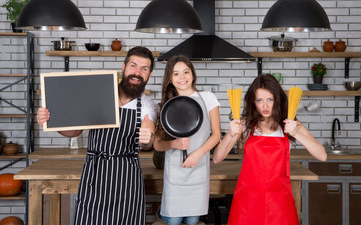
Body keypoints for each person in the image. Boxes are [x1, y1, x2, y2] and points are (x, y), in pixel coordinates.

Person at [37, 46, 158, 225]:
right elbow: (74, 131)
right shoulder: (98, 94)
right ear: (123, 67)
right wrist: (51, 121)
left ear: (149, 74)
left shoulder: (148, 106)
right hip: (95, 175)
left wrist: (149, 138)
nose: (137, 72)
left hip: (127, 179)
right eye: (133, 65)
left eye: (144, 68)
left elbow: (149, 137)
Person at [213, 74, 327, 225]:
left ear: (277, 100)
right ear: (253, 102)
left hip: (279, 201)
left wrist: (296, 133)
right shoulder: (245, 125)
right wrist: (230, 134)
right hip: (248, 200)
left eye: (270, 100)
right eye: (259, 100)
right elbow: (217, 158)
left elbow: (322, 155)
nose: (265, 106)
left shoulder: (290, 124)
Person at [154, 55, 221, 225]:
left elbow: (216, 135)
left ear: (193, 74)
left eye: (185, 72)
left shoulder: (208, 98)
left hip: (198, 169)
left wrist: (197, 154)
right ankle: (162, 212)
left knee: (192, 220)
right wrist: (173, 143)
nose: (182, 77)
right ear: (169, 78)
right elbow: (157, 144)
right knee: (174, 220)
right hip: (175, 171)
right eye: (175, 74)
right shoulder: (165, 106)